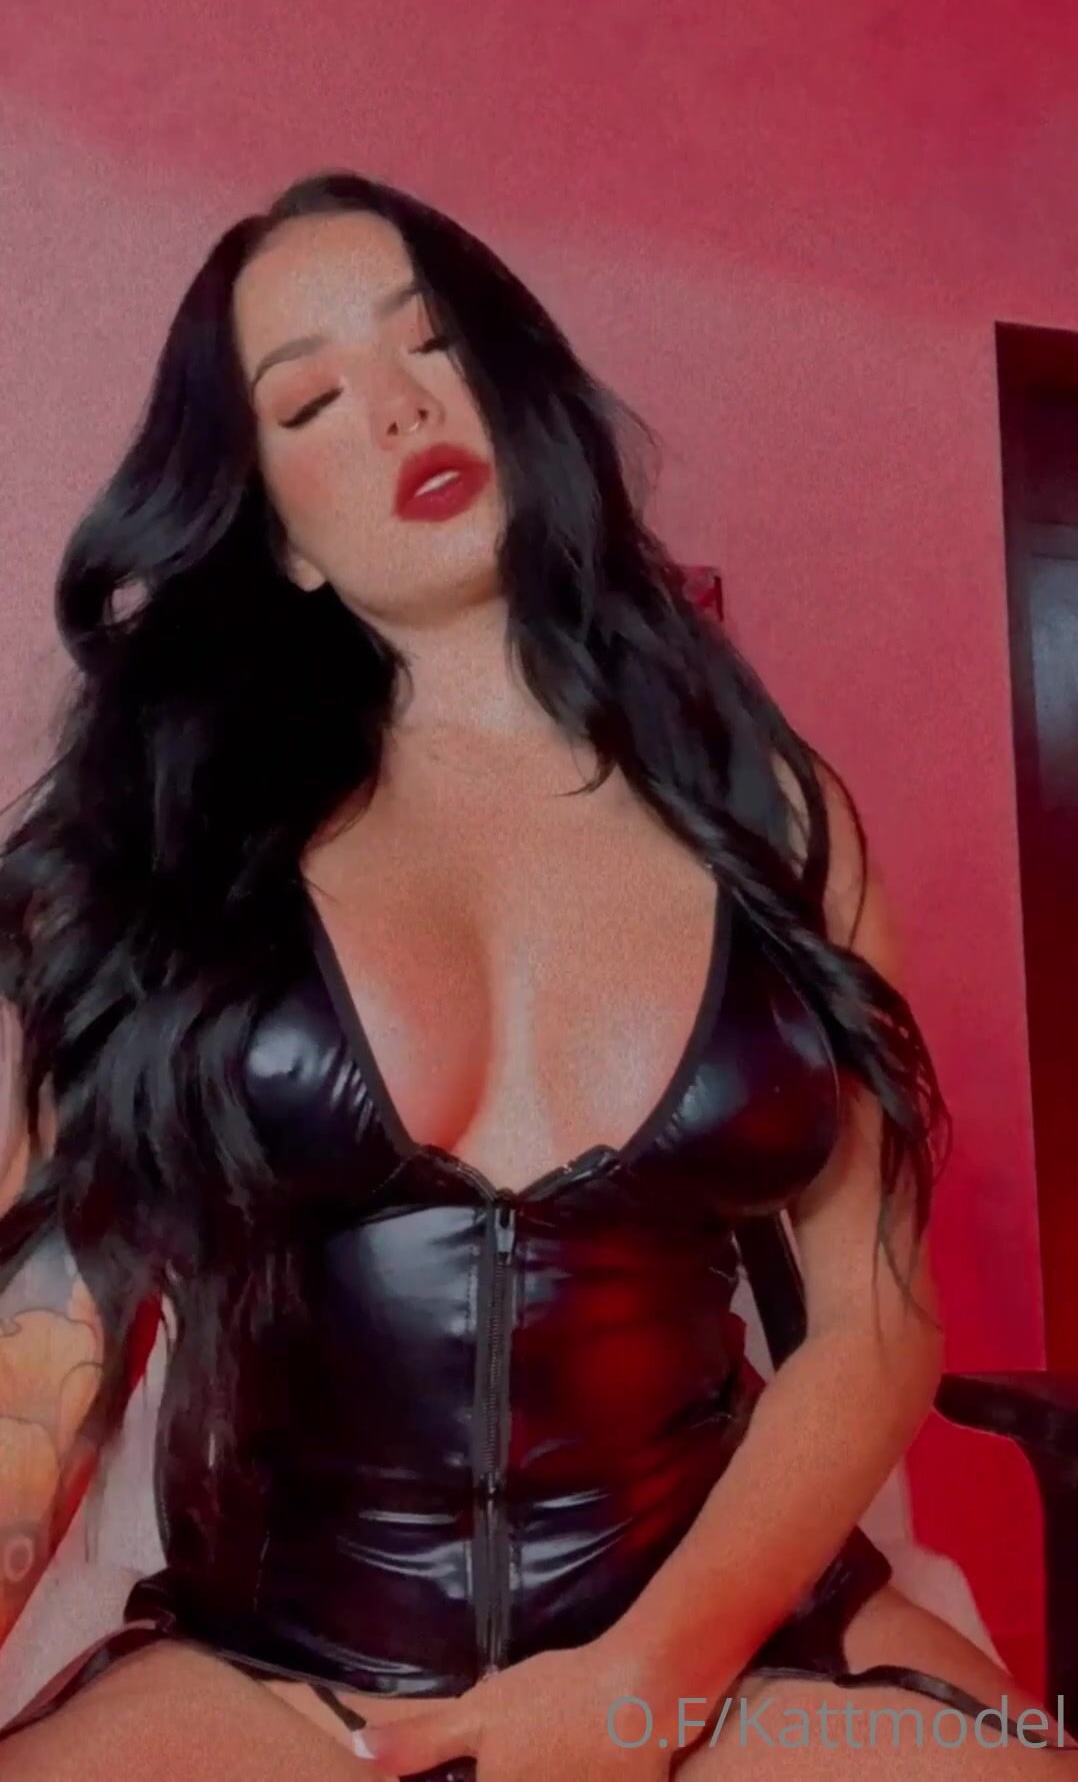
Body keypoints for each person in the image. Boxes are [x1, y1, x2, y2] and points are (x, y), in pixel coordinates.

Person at [0, 169, 1071, 1782]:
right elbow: (42, 1340)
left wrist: (647, 1675)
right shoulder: (171, 845)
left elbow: (871, 1319)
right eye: (310, 401)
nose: (397, 407)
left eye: (431, 341)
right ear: (278, 535)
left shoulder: (775, 815)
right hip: (281, 1667)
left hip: (716, 1650)